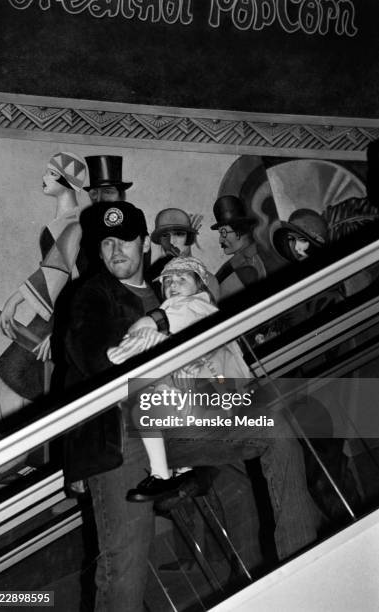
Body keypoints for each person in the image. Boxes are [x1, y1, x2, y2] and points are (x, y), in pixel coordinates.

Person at [63, 201, 322, 611]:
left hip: (184, 420)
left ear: (144, 242)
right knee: (124, 565)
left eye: (125, 240)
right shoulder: (90, 295)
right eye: (106, 242)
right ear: (97, 249)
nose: (116, 251)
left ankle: (300, 569)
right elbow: (92, 360)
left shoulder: (170, 285)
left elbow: (209, 321)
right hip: (121, 438)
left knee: (274, 433)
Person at [106, 256, 251, 502]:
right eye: (167, 282)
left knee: (141, 396)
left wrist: (131, 342)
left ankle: (165, 474)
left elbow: (153, 323)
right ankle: (184, 472)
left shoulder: (195, 305)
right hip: (221, 399)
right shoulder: (194, 314)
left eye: (181, 279)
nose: (172, 285)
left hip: (222, 401)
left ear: (201, 287)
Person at [0, 151, 88, 416]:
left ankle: (14, 449)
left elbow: (61, 274)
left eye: (50, 172)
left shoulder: (76, 223)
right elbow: (50, 270)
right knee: (22, 379)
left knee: (11, 373)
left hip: (66, 315)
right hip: (53, 311)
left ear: (65, 179)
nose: (44, 177)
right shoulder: (63, 221)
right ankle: (17, 450)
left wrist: (62, 330)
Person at [211, 195, 285, 301]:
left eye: (223, 233)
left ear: (239, 231)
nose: (220, 240)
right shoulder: (238, 261)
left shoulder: (248, 269)